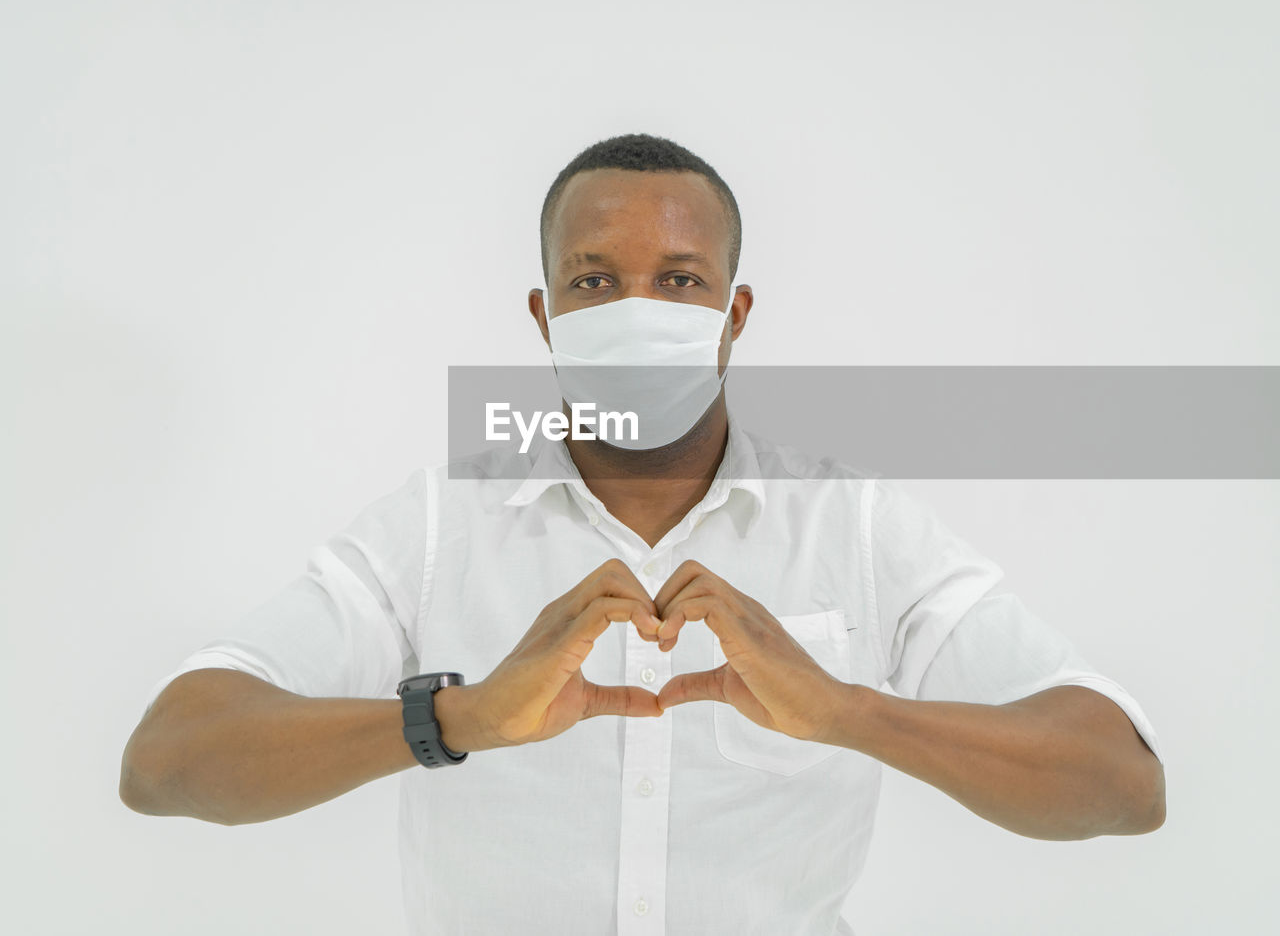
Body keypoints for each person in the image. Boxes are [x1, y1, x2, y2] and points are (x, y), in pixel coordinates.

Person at [120, 133, 1166, 935]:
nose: (635, 310)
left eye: (676, 279)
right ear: (542, 314)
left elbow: (1119, 782)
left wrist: (847, 711)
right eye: (592, 281)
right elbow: (168, 758)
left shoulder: (852, 524)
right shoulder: (437, 524)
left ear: (733, 311)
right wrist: (461, 716)